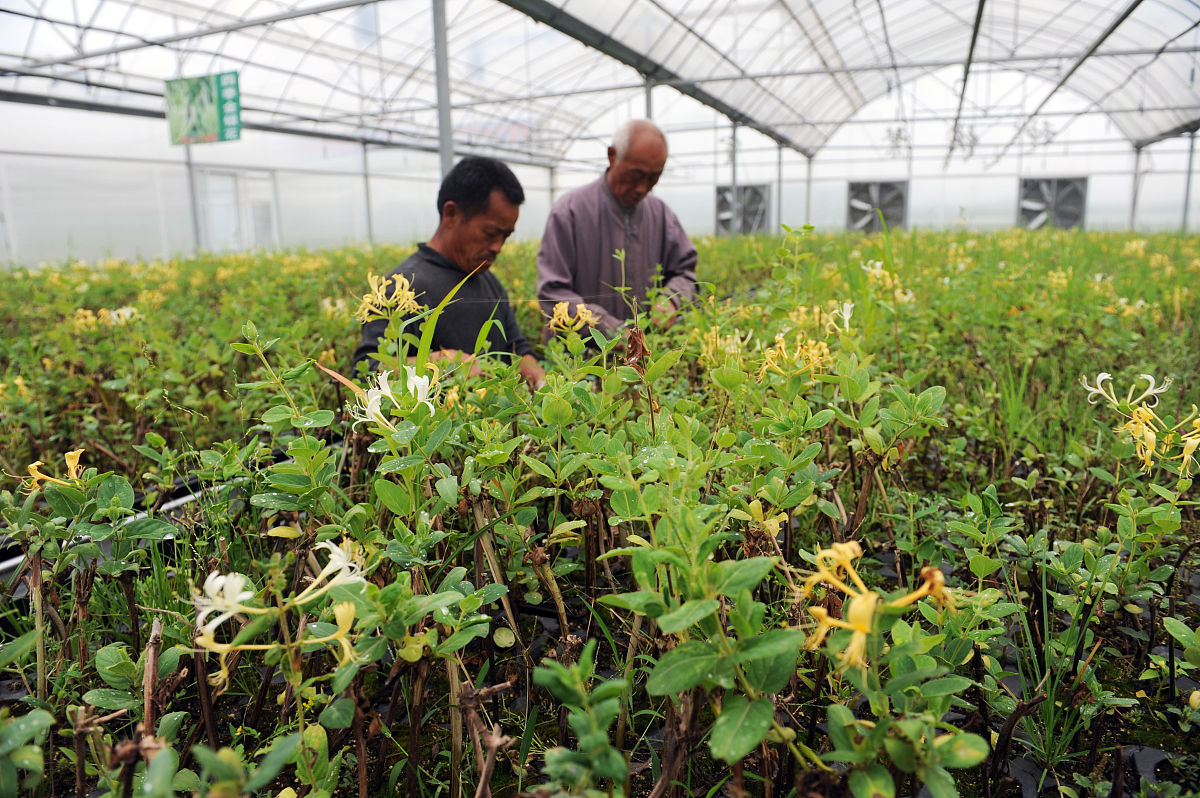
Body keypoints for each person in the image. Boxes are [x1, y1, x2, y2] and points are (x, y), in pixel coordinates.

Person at [352, 156, 545, 388]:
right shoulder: (400, 288)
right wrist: (445, 363)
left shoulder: (489, 281)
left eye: (506, 236)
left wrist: (538, 377)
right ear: (451, 214)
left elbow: (516, 347)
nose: (498, 247)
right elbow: (367, 371)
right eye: (491, 233)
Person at [536, 119, 697, 336]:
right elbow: (553, 292)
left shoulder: (661, 215)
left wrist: (671, 299)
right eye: (635, 175)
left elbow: (685, 272)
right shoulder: (569, 211)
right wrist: (611, 331)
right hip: (580, 354)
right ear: (612, 156)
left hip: (647, 352)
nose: (642, 188)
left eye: (654, 177)